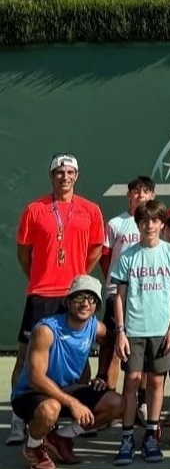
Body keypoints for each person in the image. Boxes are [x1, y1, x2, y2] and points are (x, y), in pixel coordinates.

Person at [10, 154, 105, 446]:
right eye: (59, 172)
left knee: (82, 352)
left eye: (70, 172)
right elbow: (24, 254)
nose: (65, 176)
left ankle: (79, 416)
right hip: (41, 293)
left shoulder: (90, 210)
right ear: (51, 176)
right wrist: (42, 278)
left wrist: (76, 280)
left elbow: (95, 251)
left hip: (74, 293)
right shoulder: (34, 209)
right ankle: (18, 421)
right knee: (26, 355)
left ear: (77, 175)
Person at [12, 275, 124, 469]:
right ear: (68, 301)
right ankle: (34, 446)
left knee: (117, 403)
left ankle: (61, 437)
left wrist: (102, 376)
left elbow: (109, 342)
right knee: (50, 409)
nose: (85, 304)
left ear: (96, 307)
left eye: (92, 300)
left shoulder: (95, 327)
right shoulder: (46, 330)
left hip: (66, 389)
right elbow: (36, 379)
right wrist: (73, 403)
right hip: (30, 393)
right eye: (80, 297)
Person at [110, 200, 170, 466]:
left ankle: (151, 435)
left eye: (155, 221)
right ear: (138, 225)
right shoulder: (128, 256)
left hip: (162, 331)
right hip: (133, 330)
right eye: (145, 222)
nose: (150, 226)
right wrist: (120, 331)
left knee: (156, 383)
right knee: (131, 380)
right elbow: (119, 297)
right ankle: (127, 438)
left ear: (161, 224)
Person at [98, 177, 156, 389]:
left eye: (146, 191)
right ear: (128, 196)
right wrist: (115, 283)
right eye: (136, 191)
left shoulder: (157, 225)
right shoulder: (116, 223)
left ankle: (141, 402)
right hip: (118, 295)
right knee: (114, 347)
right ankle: (108, 396)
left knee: (144, 352)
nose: (140, 195)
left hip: (147, 296)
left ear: (153, 196)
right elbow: (105, 258)